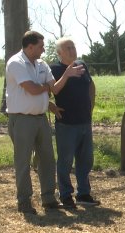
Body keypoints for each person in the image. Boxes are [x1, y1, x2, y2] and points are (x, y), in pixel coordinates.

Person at [5, 31, 81, 214]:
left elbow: (53, 88)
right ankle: (24, 201)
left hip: (41, 119)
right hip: (22, 119)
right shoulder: (16, 63)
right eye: (40, 46)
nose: (44, 49)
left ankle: (48, 199)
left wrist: (67, 74)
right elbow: (31, 89)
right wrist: (46, 89)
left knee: (47, 159)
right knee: (22, 161)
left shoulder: (42, 64)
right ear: (30, 47)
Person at [49, 37, 100, 208]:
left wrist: (90, 108)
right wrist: (67, 74)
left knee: (86, 160)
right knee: (65, 160)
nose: (72, 50)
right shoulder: (54, 69)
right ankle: (65, 195)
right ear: (59, 53)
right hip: (66, 124)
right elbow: (51, 90)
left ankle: (84, 193)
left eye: (73, 46)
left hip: (84, 121)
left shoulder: (82, 66)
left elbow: (91, 86)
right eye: (68, 48)